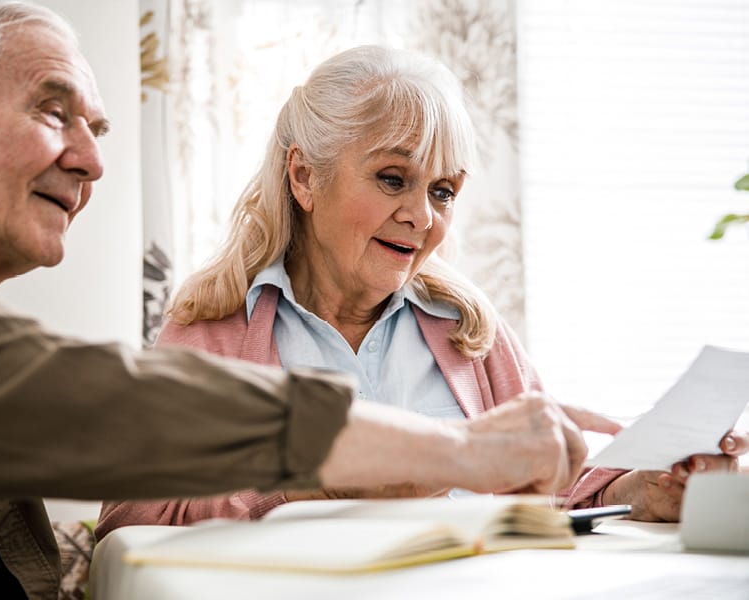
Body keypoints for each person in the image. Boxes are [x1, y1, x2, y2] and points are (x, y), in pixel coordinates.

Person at [0, 4, 626, 599]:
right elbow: (100, 407)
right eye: (55, 113)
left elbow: (559, 484)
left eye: (98, 128)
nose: (92, 161)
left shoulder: (468, 329)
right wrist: (458, 454)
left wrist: (634, 482)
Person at [96, 45, 748, 538]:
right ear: (304, 176)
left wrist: (654, 489)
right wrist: (317, 490)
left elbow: (556, 491)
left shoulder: (468, 329)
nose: (423, 216)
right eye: (391, 178)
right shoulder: (212, 329)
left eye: (442, 191)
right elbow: (129, 522)